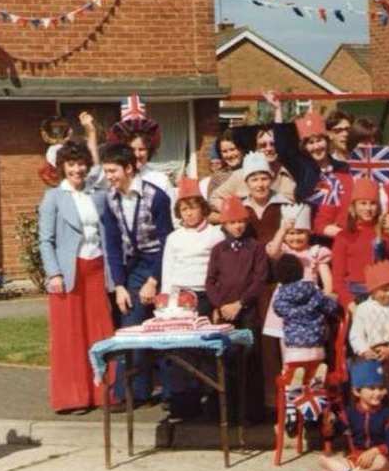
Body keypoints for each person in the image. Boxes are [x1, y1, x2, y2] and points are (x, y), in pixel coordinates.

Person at [38, 141, 115, 412]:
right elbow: (45, 240)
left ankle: (103, 393)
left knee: (100, 332)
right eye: (71, 164)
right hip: (68, 274)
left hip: (96, 269)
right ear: (62, 167)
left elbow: (107, 233)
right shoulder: (53, 197)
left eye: (81, 163)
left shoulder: (96, 194)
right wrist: (54, 273)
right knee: (70, 335)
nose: (77, 169)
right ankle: (73, 397)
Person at [99, 142, 173, 404]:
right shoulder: (110, 199)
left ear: (129, 168)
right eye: (106, 171)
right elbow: (112, 244)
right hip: (135, 266)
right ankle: (130, 393)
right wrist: (119, 284)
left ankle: (174, 394)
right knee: (131, 326)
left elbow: (168, 241)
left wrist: (154, 280)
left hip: (163, 262)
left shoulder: (156, 197)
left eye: (112, 171)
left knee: (167, 327)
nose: (108, 177)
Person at [205, 194, 271, 419]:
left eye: (241, 221)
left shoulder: (255, 248)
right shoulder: (218, 250)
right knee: (227, 360)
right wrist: (220, 305)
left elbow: (259, 279)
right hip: (225, 313)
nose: (238, 226)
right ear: (224, 224)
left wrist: (240, 303)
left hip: (247, 310)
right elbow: (210, 281)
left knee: (250, 360)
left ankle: (251, 412)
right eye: (232, 222)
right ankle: (228, 412)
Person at [307, 360, 389, 471]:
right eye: (372, 388)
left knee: (379, 462)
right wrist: (329, 426)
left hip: (382, 461)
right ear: (357, 391)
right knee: (323, 460)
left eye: (381, 388)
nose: (378, 392)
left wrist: (374, 451)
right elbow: (333, 433)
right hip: (357, 459)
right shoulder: (349, 413)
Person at [348, 260, 389, 413]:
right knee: (361, 366)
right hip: (371, 348)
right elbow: (356, 335)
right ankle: (360, 411)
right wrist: (364, 350)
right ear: (373, 291)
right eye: (383, 290)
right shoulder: (364, 308)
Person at [273, 109, 351, 219]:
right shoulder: (302, 168)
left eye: (319, 140)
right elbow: (282, 149)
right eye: (311, 143)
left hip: (336, 227)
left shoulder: (343, 167)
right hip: (310, 230)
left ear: (327, 141)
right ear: (304, 147)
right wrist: (278, 110)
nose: (316, 147)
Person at [160, 178, 223, 313]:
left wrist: (219, 303)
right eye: (184, 209)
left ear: (202, 208)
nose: (189, 213)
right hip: (179, 295)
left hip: (206, 293)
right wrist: (166, 296)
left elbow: (222, 270)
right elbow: (168, 269)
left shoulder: (215, 234)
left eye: (193, 208)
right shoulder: (174, 237)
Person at [327, 178, 387, 308]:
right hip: (355, 295)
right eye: (363, 203)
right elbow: (338, 280)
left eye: (372, 203)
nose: (368, 208)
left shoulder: (386, 235)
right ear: (354, 206)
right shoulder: (344, 237)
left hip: (383, 295)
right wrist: (349, 302)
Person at [272, 253, 340, 367]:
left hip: (294, 349)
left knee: (292, 377)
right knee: (313, 374)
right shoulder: (313, 290)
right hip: (316, 346)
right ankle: (315, 380)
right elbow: (330, 307)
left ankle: (294, 381)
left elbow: (277, 309)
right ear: (300, 271)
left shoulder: (281, 295)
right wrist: (332, 299)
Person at [206, 130, 245, 200]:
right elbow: (211, 203)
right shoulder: (217, 178)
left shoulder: (253, 170)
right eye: (224, 151)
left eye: (232, 149)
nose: (229, 155)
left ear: (241, 149)